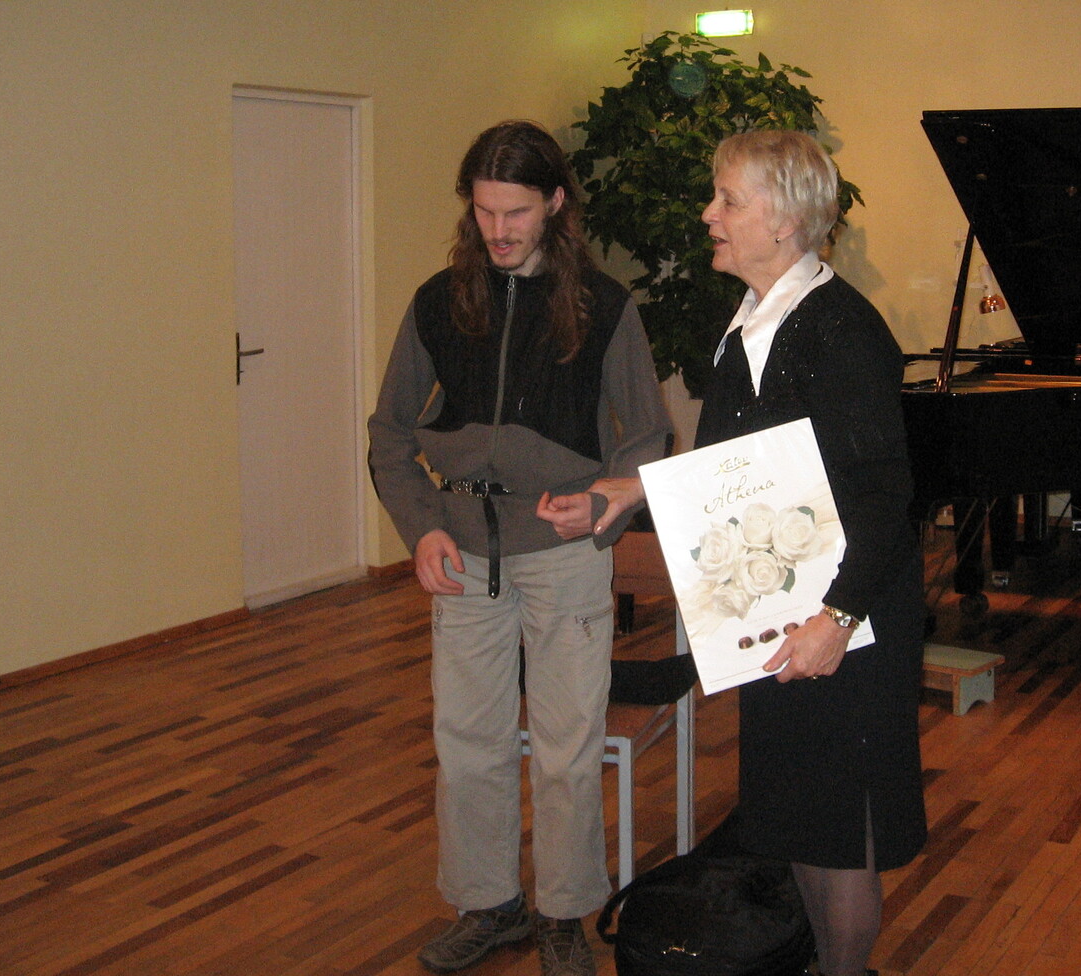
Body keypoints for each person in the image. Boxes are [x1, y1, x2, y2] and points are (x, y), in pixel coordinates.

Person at [573, 129, 928, 976]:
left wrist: (835, 619)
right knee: (800, 817)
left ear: (786, 220)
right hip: (782, 614)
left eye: (728, 200)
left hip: (845, 621)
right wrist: (639, 490)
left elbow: (887, 499)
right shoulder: (749, 327)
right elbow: (734, 474)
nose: (708, 214)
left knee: (841, 833)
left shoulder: (840, 331)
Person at [368, 120, 672, 976]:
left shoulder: (604, 307)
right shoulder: (438, 302)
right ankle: (489, 903)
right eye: (485, 212)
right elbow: (390, 433)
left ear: (555, 204)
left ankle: (564, 914)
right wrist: (422, 526)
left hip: (565, 556)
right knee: (469, 743)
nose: (499, 231)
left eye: (517, 212)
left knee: (569, 748)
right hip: (463, 555)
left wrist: (604, 507)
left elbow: (648, 436)